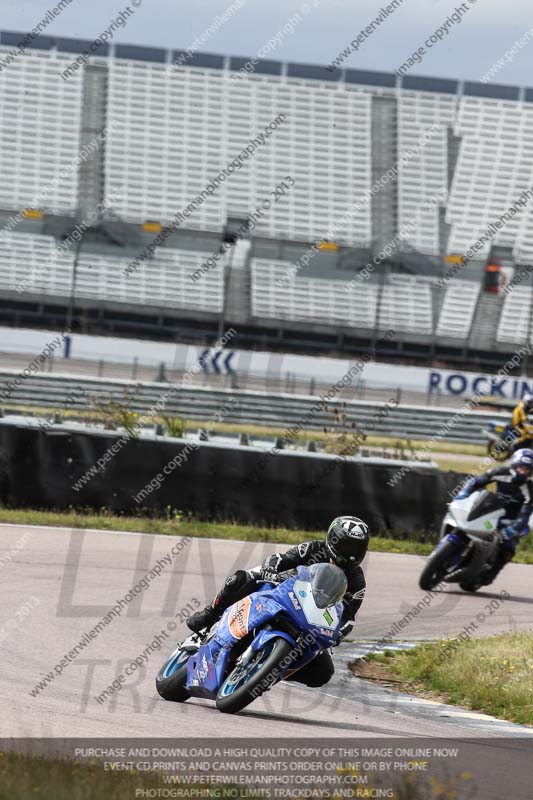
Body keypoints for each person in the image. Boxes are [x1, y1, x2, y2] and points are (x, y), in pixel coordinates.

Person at [186, 515, 369, 687]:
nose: (351, 554)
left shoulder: (357, 583)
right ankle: (209, 614)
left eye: (357, 549)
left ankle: (266, 672)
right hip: (281, 594)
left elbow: (348, 618)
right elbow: (281, 558)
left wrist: (337, 635)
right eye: (346, 547)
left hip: (311, 621)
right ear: (332, 540)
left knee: (323, 672)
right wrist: (270, 570)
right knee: (242, 579)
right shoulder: (314, 549)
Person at [456, 448, 533, 584]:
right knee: (464, 523)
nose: (523, 471)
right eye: (521, 467)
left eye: (527, 469)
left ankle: (492, 572)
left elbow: (526, 514)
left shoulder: (530, 489)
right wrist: (464, 493)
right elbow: (476, 481)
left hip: (510, 521)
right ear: (514, 464)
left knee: (508, 547)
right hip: (491, 513)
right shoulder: (500, 472)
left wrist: (512, 530)